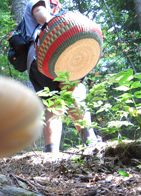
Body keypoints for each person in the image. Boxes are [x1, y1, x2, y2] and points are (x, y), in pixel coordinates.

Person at [24, 0, 98, 152]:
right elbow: (40, 14)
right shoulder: (37, 1)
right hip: (50, 55)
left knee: (53, 105)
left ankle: (51, 151)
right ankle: (90, 141)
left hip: (35, 63)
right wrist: (57, 22)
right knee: (74, 91)